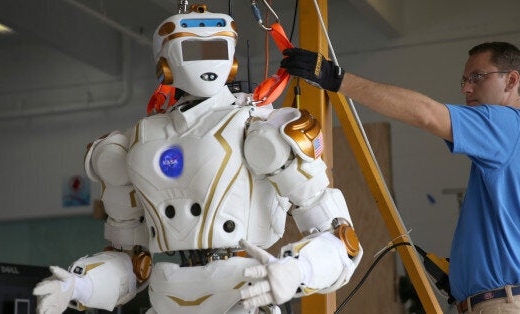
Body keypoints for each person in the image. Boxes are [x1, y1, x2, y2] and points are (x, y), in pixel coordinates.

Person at [32, 5, 362, 314]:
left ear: (231, 59)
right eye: (193, 50)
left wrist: (297, 269)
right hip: (168, 296)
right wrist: (81, 284)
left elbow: (338, 237)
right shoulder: (135, 142)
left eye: (216, 50)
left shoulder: (260, 128)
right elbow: (131, 260)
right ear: (165, 63)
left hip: (243, 292)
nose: (207, 62)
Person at [280, 42, 520, 313]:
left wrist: (336, 78)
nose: (467, 88)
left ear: (511, 80)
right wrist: (478, 273)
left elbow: (429, 115)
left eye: (477, 77)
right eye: (464, 80)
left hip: (503, 307)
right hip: (515, 303)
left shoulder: (507, 123)